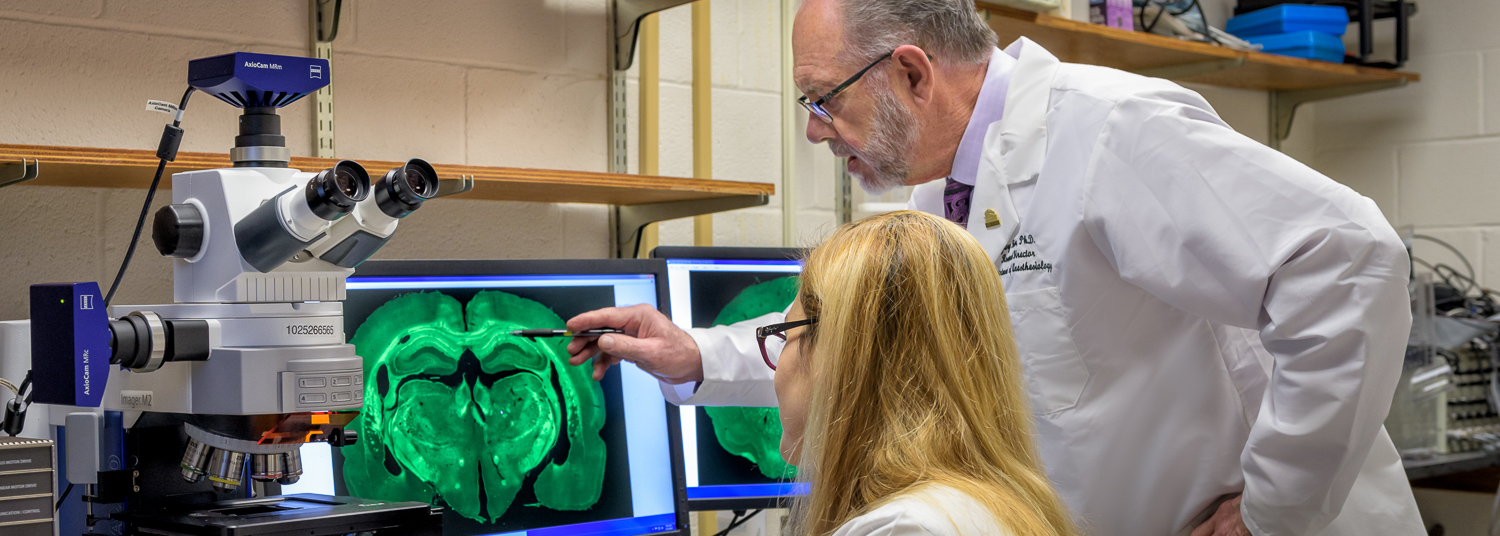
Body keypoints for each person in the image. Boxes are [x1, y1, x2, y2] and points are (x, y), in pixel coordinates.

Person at [567, 0, 1424, 534]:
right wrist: (695, 354)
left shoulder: (1105, 129)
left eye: (823, 99)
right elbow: (857, 338)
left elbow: (1346, 263)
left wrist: (1273, 515)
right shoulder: (946, 196)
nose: (814, 131)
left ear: (910, 72)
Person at [772, 210, 1074, 536]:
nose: (775, 366)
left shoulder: (902, 528)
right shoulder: (984, 505)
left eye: (782, 336)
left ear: (842, 357)